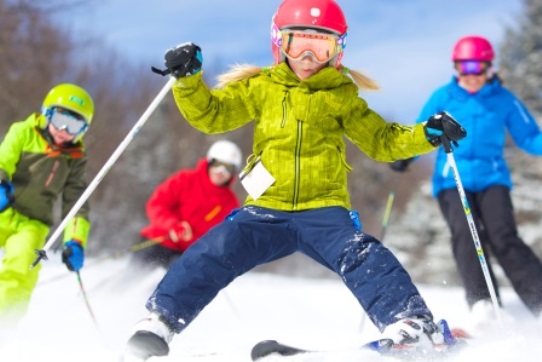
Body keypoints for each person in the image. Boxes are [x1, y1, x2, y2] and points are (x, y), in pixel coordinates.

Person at [123, 0, 466, 359]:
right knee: (213, 250)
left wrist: (426, 133)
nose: (307, 56)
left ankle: (409, 323)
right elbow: (212, 116)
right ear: (278, 44)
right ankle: (159, 322)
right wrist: (189, 80)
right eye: (297, 43)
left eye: (321, 46)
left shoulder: (341, 97)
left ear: (337, 51)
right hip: (265, 210)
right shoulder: (262, 87)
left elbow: (382, 141)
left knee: (364, 255)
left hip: (324, 212)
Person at [390, 35, 542, 326]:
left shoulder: (503, 99)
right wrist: (405, 155)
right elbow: (420, 131)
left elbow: (530, 136)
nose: (472, 75)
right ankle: (483, 302)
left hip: (492, 178)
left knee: (503, 236)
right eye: (465, 68)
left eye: (478, 68)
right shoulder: (443, 97)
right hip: (451, 178)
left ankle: (539, 299)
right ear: (456, 68)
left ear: (489, 68)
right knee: (465, 234)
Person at [0, 83, 94, 325]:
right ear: (47, 113)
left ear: (82, 130)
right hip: (3, 207)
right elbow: (4, 159)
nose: (64, 130)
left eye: (73, 126)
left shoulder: (75, 158)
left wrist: (75, 240)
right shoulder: (23, 131)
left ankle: (4, 326)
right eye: (61, 118)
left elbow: (76, 202)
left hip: (33, 223)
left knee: (21, 272)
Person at [130, 140, 242, 271]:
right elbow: (156, 204)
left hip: (186, 257)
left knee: (169, 287)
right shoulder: (185, 179)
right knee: (131, 281)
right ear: (209, 162)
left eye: (228, 168)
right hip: (158, 241)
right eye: (217, 164)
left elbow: (223, 239)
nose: (220, 171)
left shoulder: (231, 204)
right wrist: (173, 225)